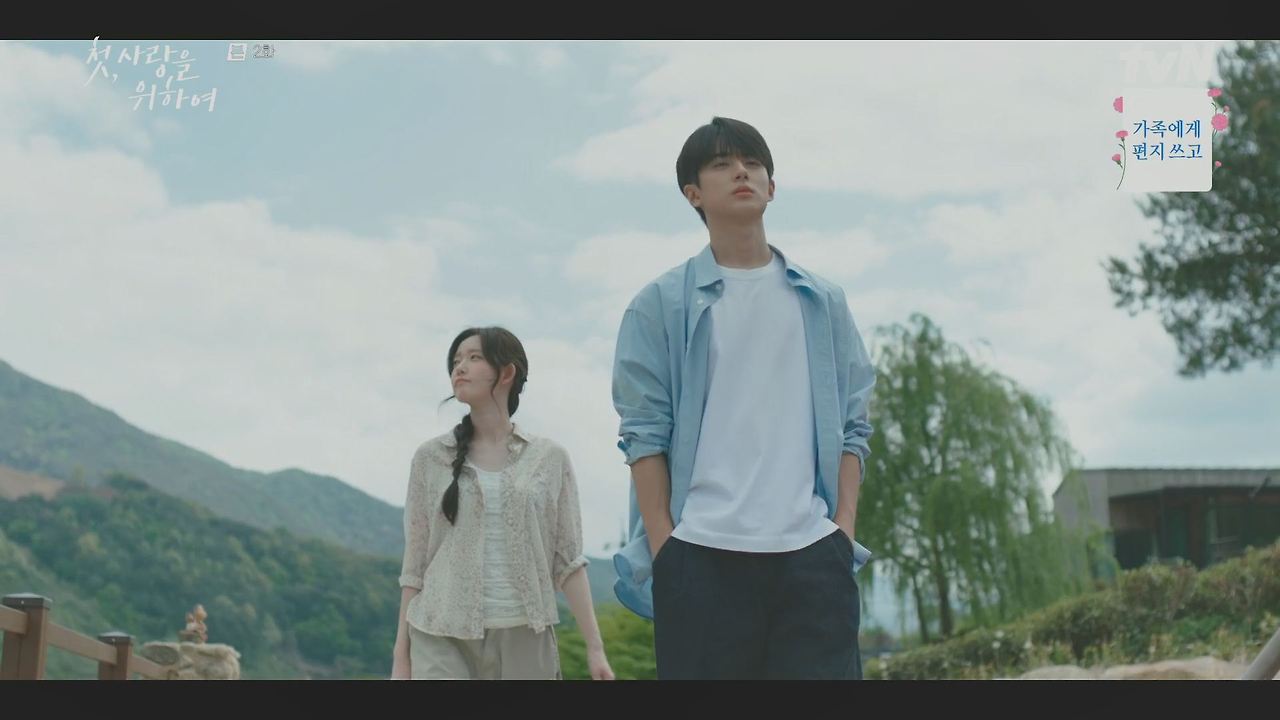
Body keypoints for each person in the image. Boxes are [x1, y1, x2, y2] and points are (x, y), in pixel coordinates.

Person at [611, 117, 876, 679]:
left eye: (753, 163)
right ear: (693, 193)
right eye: (721, 164)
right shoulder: (658, 305)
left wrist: (842, 528)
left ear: (771, 187)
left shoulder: (823, 301)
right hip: (699, 554)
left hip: (812, 552)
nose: (741, 172)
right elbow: (643, 434)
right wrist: (666, 547)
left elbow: (854, 423)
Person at [391, 326, 614, 680]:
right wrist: (401, 658)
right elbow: (415, 565)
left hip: (525, 635)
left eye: (474, 357)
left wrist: (595, 648)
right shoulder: (430, 458)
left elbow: (569, 560)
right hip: (439, 631)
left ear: (507, 372)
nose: (460, 367)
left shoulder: (549, 458)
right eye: (456, 360)